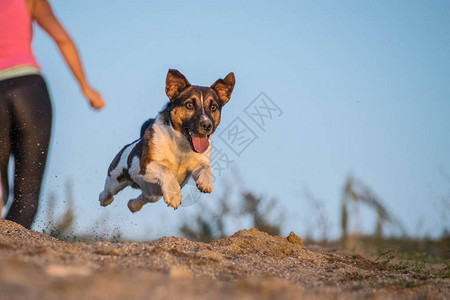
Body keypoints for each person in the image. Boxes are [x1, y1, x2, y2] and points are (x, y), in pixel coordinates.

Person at [0, 0, 105, 229]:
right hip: (29, 89)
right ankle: (10, 250)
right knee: (27, 194)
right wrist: (86, 87)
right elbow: (62, 38)